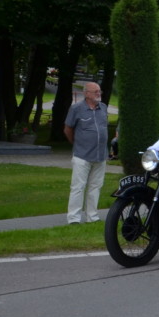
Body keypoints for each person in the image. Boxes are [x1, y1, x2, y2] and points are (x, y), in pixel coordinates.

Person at [64, 82, 109, 224]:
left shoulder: (103, 107)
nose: (98, 94)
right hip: (82, 155)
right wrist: (76, 143)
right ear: (86, 93)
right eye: (95, 91)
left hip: (100, 155)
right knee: (78, 187)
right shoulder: (76, 109)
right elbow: (68, 129)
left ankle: (92, 216)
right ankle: (74, 218)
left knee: (95, 187)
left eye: (99, 91)